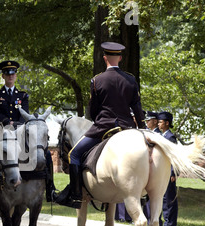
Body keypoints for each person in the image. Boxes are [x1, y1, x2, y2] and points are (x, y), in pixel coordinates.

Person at [52, 42, 145, 209]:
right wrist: (143, 129)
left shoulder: (97, 80)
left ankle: (75, 195)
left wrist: (98, 121)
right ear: (121, 58)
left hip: (103, 129)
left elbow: (94, 111)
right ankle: (143, 193)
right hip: (127, 128)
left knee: (74, 155)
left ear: (104, 58)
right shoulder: (131, 79)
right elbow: (137, 109)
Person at [0, 60, 29, 126]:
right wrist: (8, 123)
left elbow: (25, 113)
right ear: (3, 76)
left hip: (19, 129)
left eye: (12, 74)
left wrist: (18, 125)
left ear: (15, 76)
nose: (10, 76)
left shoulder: (23, 95)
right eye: (7, 74)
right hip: (1, 128)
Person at [158, 111, 179, 226]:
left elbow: (173, 157)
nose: (159, 124)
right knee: (163, 197)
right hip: (162, 171)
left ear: (166, 123)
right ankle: (165, 221)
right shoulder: (162, 136)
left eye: (161, 122)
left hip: (168, 172)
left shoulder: (170, 137)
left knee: (169, 198)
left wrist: (173, 172)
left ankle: (170, 223)